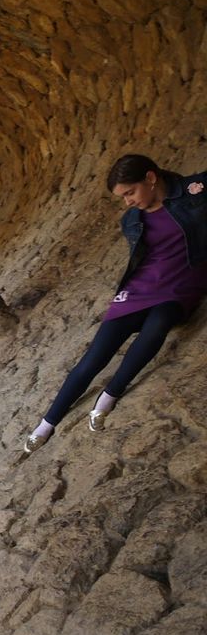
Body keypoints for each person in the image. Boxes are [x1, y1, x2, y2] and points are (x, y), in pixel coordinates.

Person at [25, 154, 207, 452]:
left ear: (150, 178)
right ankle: (46, 424)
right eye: (122, 197)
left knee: (157, 327)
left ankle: (109, 395)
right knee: (93, 358)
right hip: (139, 290)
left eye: (129, 193)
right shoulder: (132, 220)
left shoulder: (193, 191)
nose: (127, 202)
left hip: (181, 288)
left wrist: (198, 190)